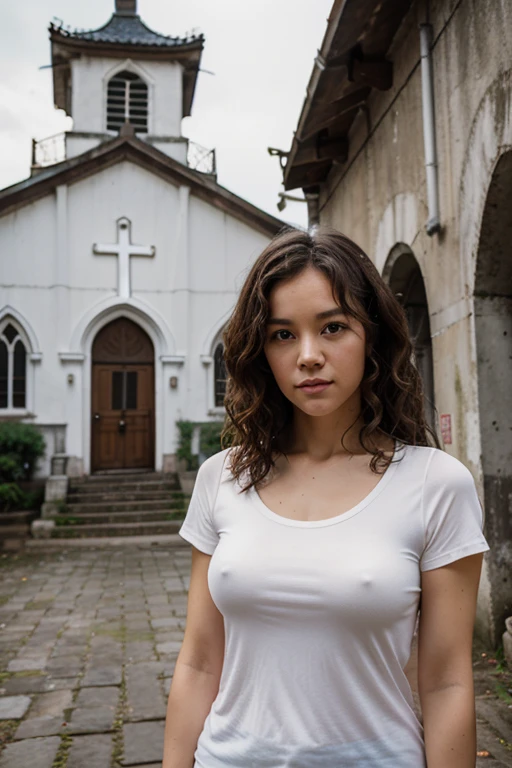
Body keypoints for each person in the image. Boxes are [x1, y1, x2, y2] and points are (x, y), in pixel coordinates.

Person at [162, 227, 490, 768]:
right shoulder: (222, 478)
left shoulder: (436, 484)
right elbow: (199, 661)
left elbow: (447, 682)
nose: (308, 355)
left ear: (373, 337)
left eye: (333, 327)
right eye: (282, 334)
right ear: (260, 350)